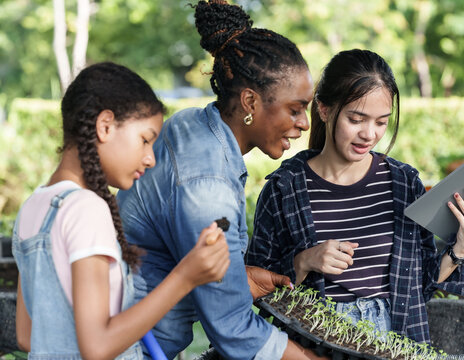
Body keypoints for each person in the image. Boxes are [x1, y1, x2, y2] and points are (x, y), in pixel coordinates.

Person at [246, 49, 464, 344]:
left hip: (395, 342)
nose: (369, 134)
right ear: (324, 109)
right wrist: (304, 261)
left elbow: (421, 286)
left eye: (381, 122)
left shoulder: (404, 183)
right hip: (312, 345)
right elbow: (255, 288)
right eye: (356, 119)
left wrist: (463, 245)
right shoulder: (284, 188)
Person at [116, 1, 325, 359]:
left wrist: (238, 277)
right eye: (295, 109)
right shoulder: (207, 182)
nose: (304, 123)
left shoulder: (193, 125)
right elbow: (232, 328)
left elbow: (174, 247)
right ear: (250, 102)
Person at [12, 62, 230, 359]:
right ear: (105, 126)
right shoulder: (86, 209)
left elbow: (27, 336)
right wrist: (185, 277)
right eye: (145, 140)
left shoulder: (33, 206)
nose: (150, 158)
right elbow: (98, 347)